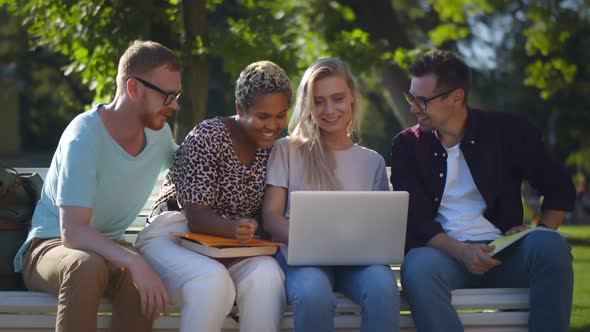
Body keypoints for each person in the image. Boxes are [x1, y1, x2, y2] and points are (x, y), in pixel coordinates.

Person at [391, 49, 575, 332]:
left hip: (505, 253)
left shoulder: (506, 132)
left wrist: (538, 229)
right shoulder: (407, 146)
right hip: (444, 257)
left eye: (421, 101)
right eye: (410, 98)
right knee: (417, 267)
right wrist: (462, 251)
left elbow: (559, 186)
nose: (413, 108)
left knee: (550, 245)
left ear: (456, 97)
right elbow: (414, 221)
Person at [14, 40, 181, 332]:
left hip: (107, 251)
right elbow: (73, 232)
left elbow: (192, 164)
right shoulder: (85, 137)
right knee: (87, 265)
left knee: (136, 280)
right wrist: (134, 261)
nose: (174, 104)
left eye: (176, 95)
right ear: (133, 89)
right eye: (167, 95)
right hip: (51, 247)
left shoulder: (159, 134)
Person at [134, 60, 292, 332]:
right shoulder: (208, 135)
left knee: (267, 277)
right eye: (263, 116)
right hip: (174, 237)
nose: (273, 125)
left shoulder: (273, 151)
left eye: (280, 116)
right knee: (212, 282)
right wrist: (235, 228)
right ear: (240, 109)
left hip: (233, 248)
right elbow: (196, 217)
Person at [262, 58, 400, 332]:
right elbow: (271, 216)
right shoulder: (287, 150)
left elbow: (380, 227)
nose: (329, 110)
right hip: (303, 260)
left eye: (338, 99)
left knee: (383, 289)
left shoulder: (371, 161)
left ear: (352, 100)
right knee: (314, 295)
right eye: (318, 101)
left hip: (357, 262)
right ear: (308, 105)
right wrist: (310, 242)